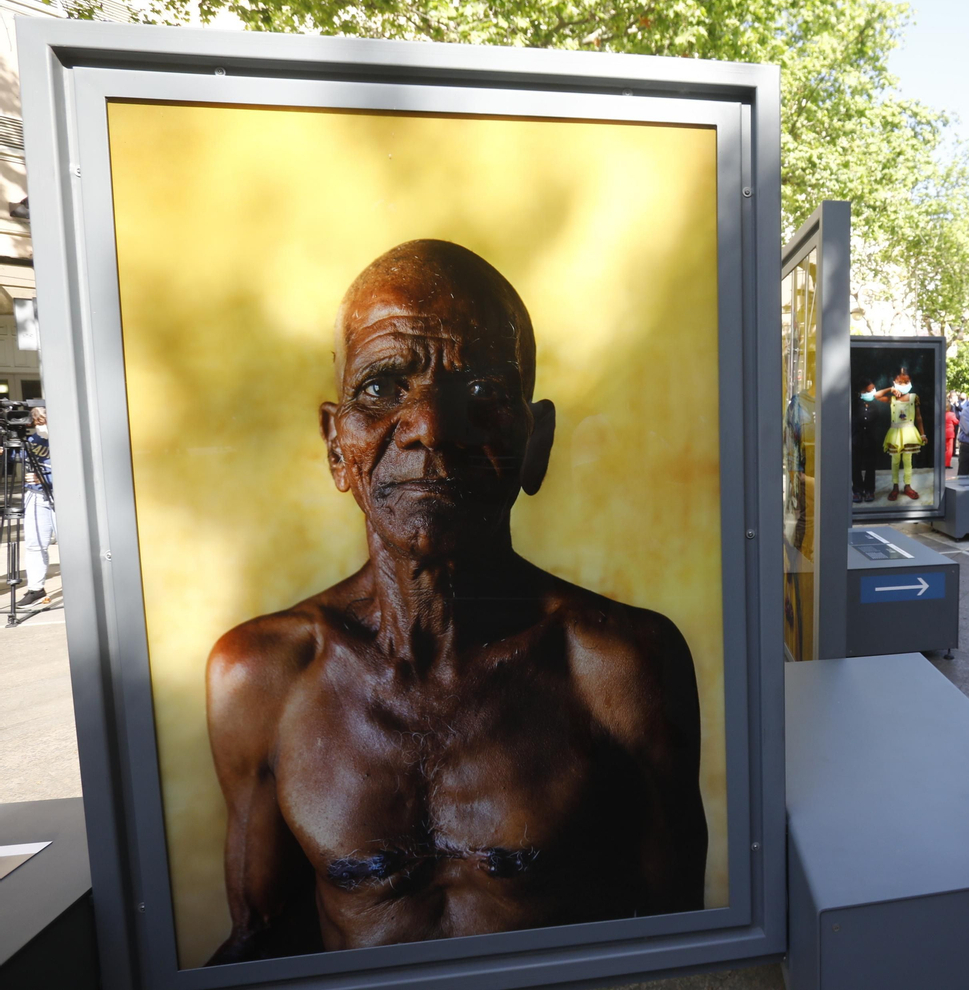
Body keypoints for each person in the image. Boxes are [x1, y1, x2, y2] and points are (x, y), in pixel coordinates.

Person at [205, 240, 707, 963]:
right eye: (382, 387)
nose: (432, 429)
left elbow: (676, 941)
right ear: (334, 444)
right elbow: (259, 943)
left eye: (485, 397)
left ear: (534, 446)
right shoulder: (260, 678)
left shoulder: (619, 667)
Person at [19, 405, 53, 607]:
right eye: (35, 416)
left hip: (64, 496)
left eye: (42, 416)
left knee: (72, 545)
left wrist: (46, 478)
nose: (38, 419)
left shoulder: (69, 436)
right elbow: (18, 457)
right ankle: (36, 589)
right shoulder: (32, 439)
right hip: (35, 496)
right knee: (34, 544)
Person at [875, 370, 926, 501]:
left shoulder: (914, 397)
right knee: (895, 461)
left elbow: (919, 417)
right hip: (895, 433)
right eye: (899, 382)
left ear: (911, 382)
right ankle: (895, 486)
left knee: (908, 461)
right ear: (894, 383)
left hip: (909, 433)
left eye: (906, 382)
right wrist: (890, 389)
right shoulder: (892, 398)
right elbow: (876, 395)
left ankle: (907, 486)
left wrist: (923, 434)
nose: (903, 384)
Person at [853, 377, 880, 502]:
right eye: (869, 390)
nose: (873, 392)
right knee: (856, 465)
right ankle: (858, 491)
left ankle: (869, 491)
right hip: (857, 439)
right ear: (862, 392)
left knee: (870, 466)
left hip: (871, 440)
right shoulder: (855, 404)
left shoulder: (876, 405)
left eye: (873, 389)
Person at [943, 401, 958, 470]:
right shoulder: (951, 414)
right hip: (949, 433)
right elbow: (956, 421)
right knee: (949, 449)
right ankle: (947, 464)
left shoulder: (941, 414)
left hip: (942, 433)